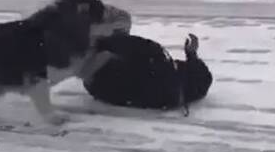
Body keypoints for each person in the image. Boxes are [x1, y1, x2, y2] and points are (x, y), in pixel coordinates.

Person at [81, 32, 212, 114]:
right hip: (101, 88)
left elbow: (140, 47)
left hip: (102, 82)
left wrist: (191, 55)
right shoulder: (168, 92)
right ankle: (92, 55)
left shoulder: (158, 61)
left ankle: (95, 46)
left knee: (150, 51)